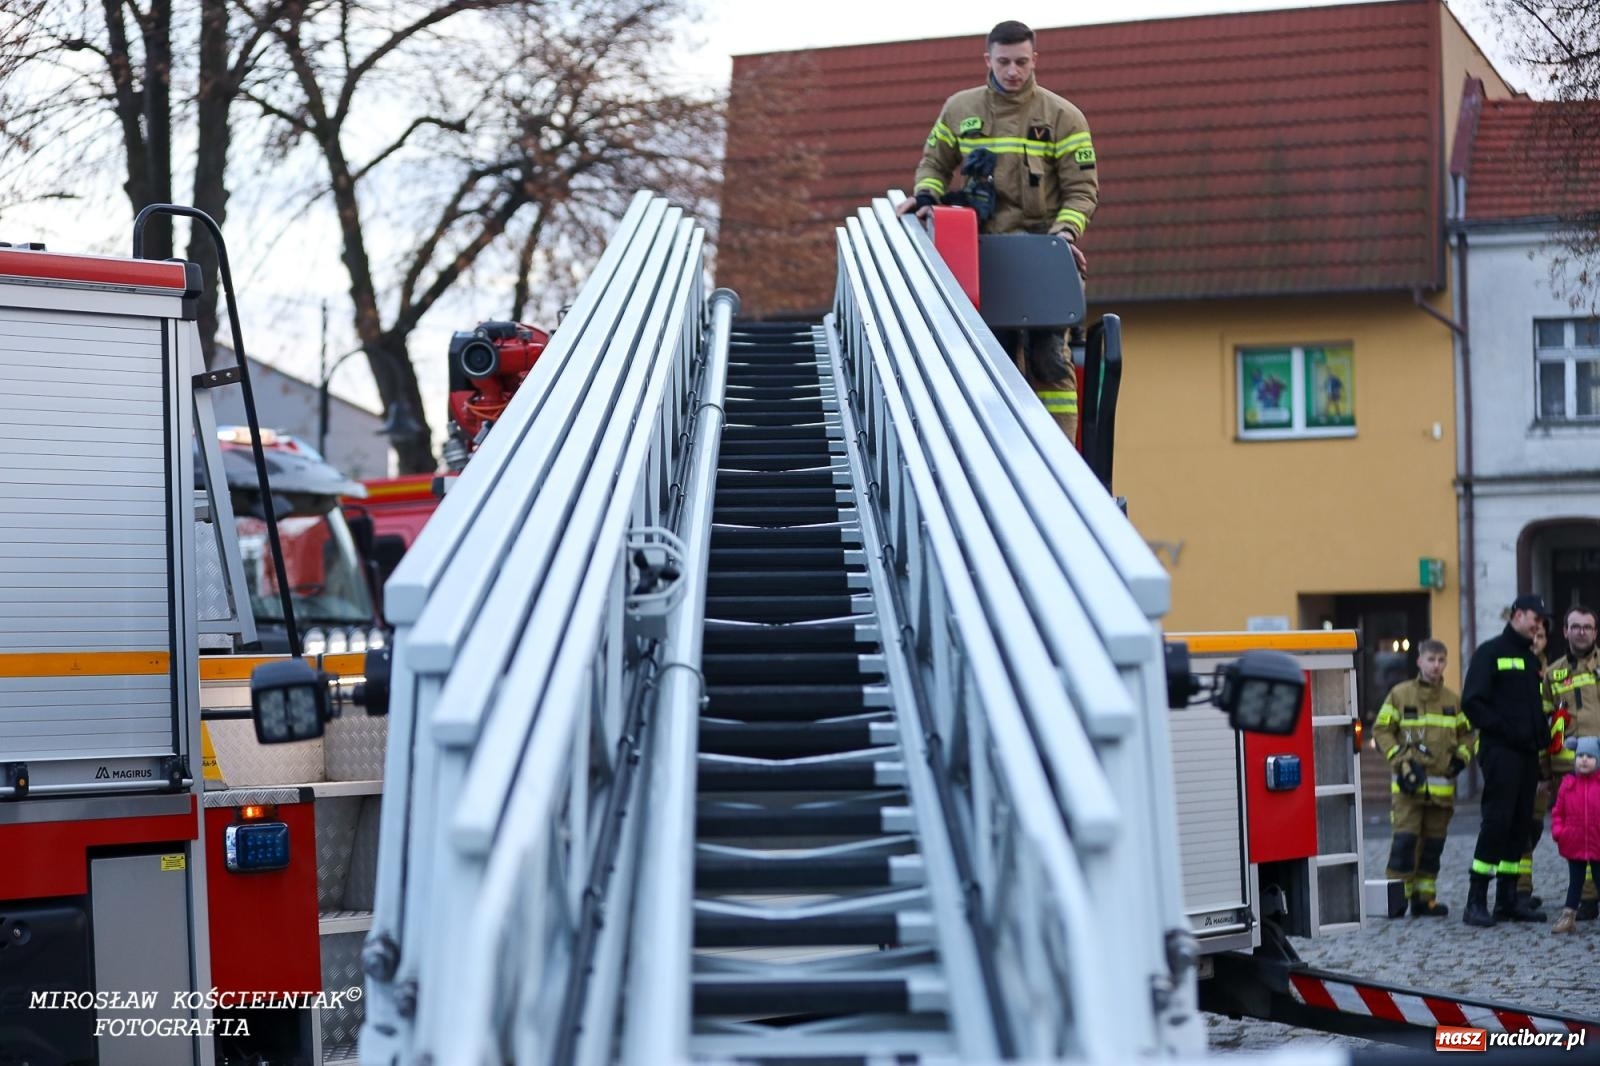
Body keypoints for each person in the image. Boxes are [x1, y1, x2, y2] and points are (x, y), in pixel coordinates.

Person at [896, 19, 1098, 443]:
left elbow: (1082, 191)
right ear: (987, 59)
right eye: (1004, 61)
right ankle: (1000, 446)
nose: (1012, 71)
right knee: (990, 358)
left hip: (1044, 252)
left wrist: (1065, 235)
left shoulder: (1062, 117)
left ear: (1035, 60)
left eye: (1021, 62)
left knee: (1050, 359)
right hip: (981, 256)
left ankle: (1058, 449)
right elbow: (934, 163)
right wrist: (927, 197)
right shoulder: (961, 109)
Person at [1461, 593, 1553, 926]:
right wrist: (1505, 730)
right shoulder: (1490, 652)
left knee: (1520, 825)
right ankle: (1475, 901)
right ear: (1517, 615)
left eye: (1541, 621)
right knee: (1497, 821)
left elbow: (1532, 708)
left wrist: (1541, 738)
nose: (1538, 625)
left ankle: (1508, 899)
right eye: (1534, 618)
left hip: (1527, 753)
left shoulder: (1530, 659)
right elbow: (1472, 702)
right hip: (1500, 751)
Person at [1373, 639, 1472, 916]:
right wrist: (1398, 758)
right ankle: (1395, 901)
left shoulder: (1452, 700)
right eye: (1431, 660)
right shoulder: (1400, 694)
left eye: (1441, 660)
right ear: (1419, 661)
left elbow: (1468, 734)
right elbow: (1381, 729)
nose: (1436, 666)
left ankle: (1424, 899)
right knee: (1404, 844)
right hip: (1408, 788)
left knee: (1432, 846)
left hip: (1441, 791)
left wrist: (1460, 758)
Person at [1542, 604, 1600, 918]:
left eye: (1587, 627)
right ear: (1565, 631)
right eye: (1575, 626)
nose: (1581, 632)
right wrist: (1543, 771)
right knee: (1581, 833)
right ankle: (1588, 898)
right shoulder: (1553, 674)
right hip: (1570, 771)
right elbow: (1543, 725)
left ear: (1595, 632)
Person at [1515, 615, 1553, 909]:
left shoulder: (1554, 673)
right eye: (1532, 635)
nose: (1535, 641)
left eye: (1540, 637)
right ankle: (1520, 890)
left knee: (1536, 827)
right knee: (1522, 828)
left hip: (1549, 763)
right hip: (1518, 762)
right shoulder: (1513, 669)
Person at [1549, 735, 1600, 934]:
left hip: (1597, 842)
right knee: (1575, 883)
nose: (1584, 760)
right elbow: (1558, 812)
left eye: (1590, 756)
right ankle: (1568, 918)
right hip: (1574, 842)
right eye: (1580, 756)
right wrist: (1559, 831)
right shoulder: (1568, 784)